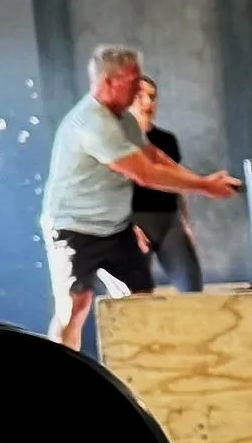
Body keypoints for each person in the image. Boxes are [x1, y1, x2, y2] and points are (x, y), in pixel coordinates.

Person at [42, 43, 237, 348]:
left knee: (140, 301)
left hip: (114, 227)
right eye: (132, 83)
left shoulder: (125, 120)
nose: (138, 90)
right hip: (73, 228)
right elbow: (144, 173)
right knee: (74, 307)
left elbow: (153, 156)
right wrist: (205, 187)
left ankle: (140, 374)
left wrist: (201, 180)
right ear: (108, 82)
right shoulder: (91, 123)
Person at [126, 71, 204, 292]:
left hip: (168, 220)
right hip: (134, 220)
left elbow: (177, 184)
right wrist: (124, 226)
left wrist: (185, 222)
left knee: (191, 286)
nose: (147, 102)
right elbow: (109, 189)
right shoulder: (117, 139)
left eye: (152, 96)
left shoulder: (167, 140)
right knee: (136, 293)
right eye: (140, 96)